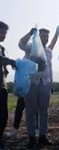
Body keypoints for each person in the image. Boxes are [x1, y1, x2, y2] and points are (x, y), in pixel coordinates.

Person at [18, 27, 59, 148]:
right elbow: (21, 44)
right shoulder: (31, 47)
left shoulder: (48, 51)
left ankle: (43, 136)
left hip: (45, 83)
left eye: (47, 36)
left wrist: (56, 31)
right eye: (43, 35)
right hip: (31, 83)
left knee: (44, 112)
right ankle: (31, 136)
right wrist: (30, 33)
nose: (45, 38)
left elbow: (53, 43)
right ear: (38, 36)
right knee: (30, 111)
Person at [0, 21, 16, 149]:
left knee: (3, 116)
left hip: (2, 86)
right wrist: (10, 61)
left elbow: (3, 63)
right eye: (1, 32)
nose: (3, 35)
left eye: (5, 33)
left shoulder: (2, 48)